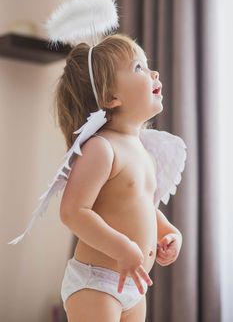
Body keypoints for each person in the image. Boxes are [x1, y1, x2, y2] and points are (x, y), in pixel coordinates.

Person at [56, 33, 184, 322]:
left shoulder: (142, 149)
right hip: (96, 284)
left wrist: (167, 232)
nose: (154, 72)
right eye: (138, 67)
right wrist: (122, 247)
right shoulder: (102, 148)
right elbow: (73, 212)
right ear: (111, 97)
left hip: (134, 285)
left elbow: (141, 205)